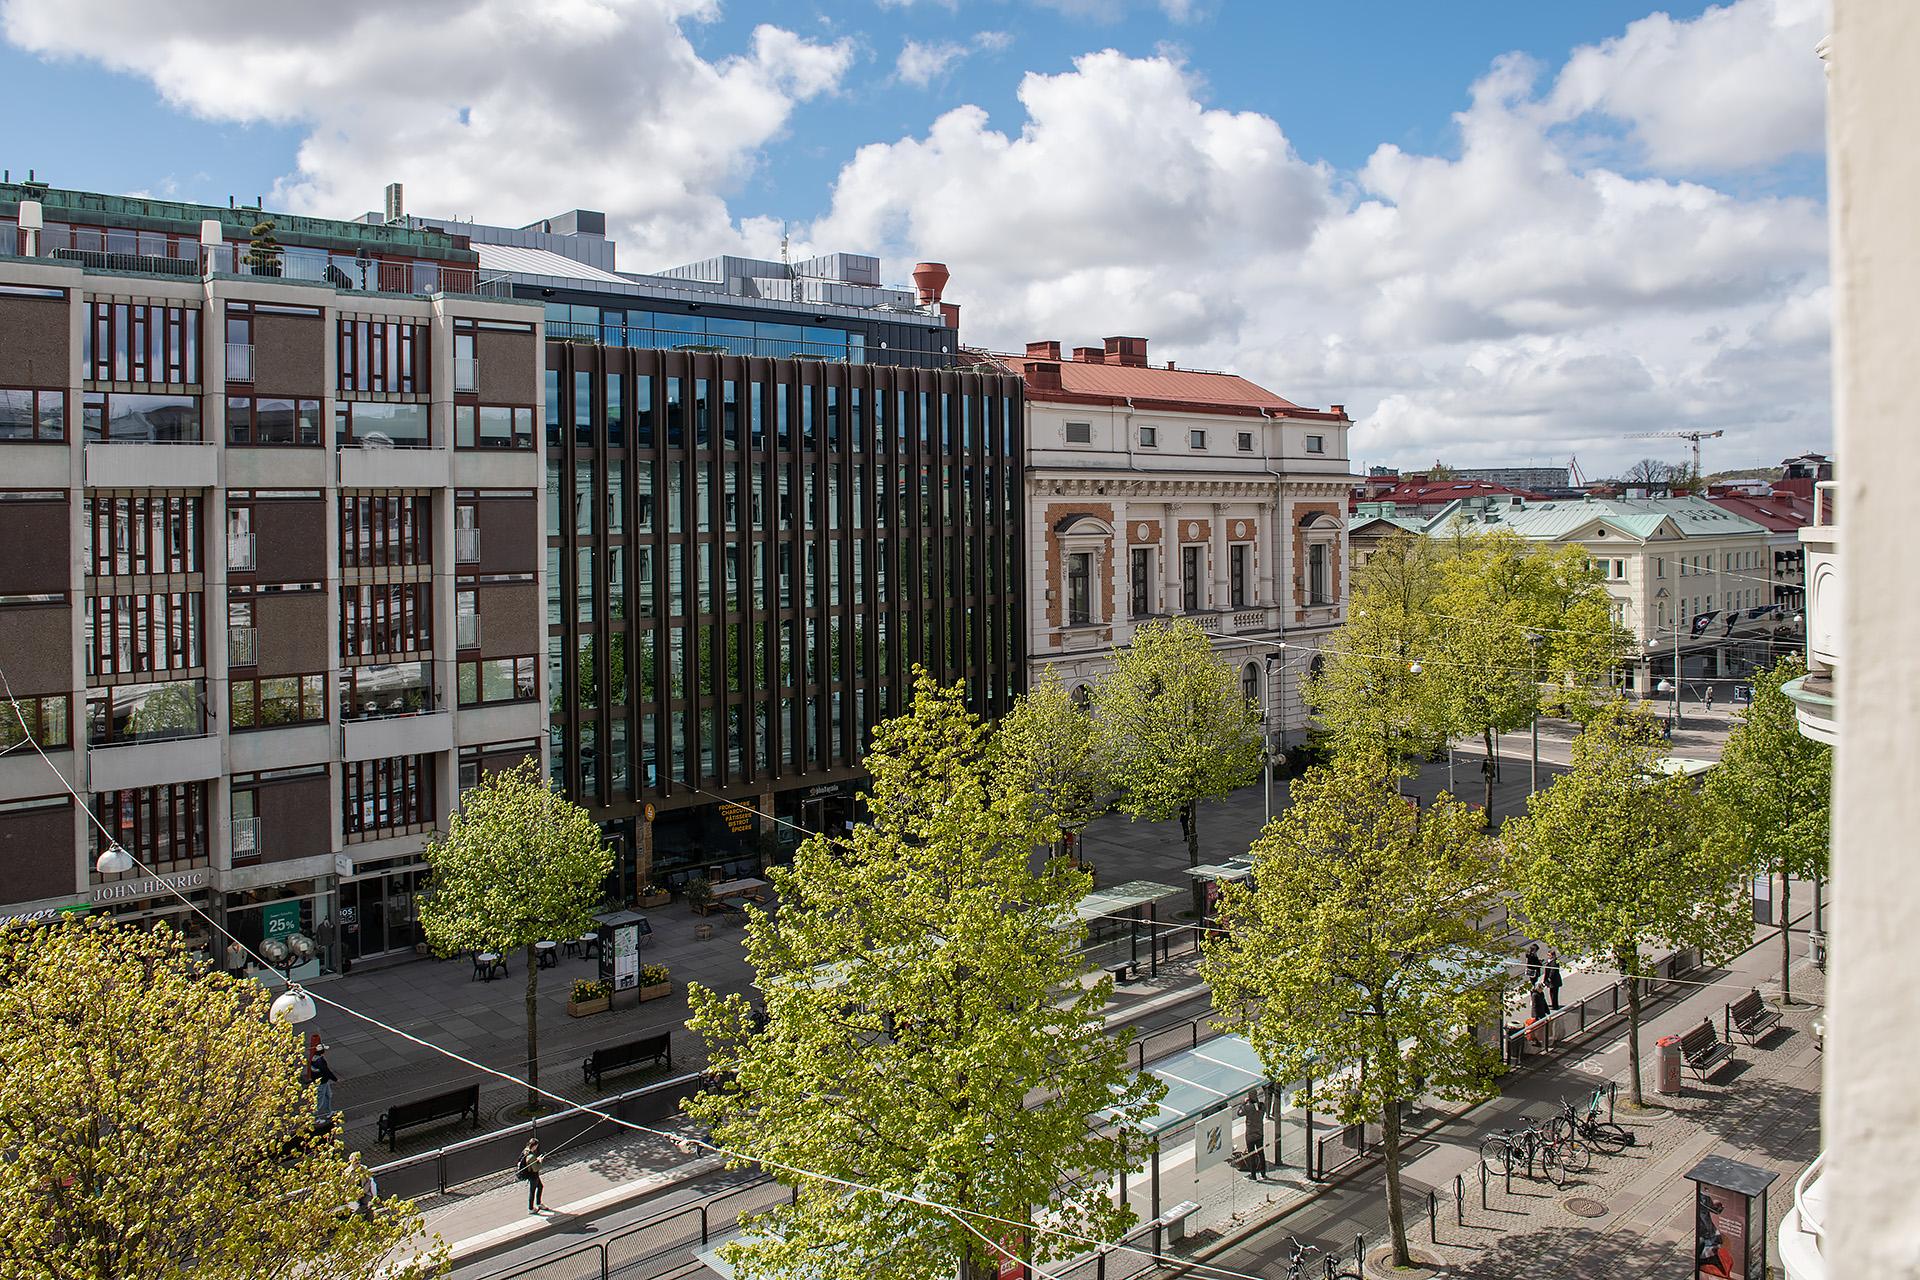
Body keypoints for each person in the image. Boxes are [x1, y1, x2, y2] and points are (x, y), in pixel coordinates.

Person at [1239, 1090, 1268, 1179]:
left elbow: (1239, 1113)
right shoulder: (1262, 1106)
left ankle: (1253, 1175)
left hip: (1250, 1134)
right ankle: (1263, 1173)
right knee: (1261, 1153)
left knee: (1251, 1154)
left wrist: (1243, 1103)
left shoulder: (1248, 1107)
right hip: (1259, 1132)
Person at [308, 1044, 338, 1120]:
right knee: (319, 1101)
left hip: (323, 1081)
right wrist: (334, 1079)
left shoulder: (315, 1058)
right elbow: (326, 1071)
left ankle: (329, 1112)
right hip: (321, 1082)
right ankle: (315, 1119)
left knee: (328, 1095)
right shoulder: (320, 1060)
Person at [518, 1138, 546, 1214]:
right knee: (532, 1191)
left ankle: (539, 1203)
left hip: (530, 1174)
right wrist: (540, 1161)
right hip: (533, 1175)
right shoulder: (531, 1156)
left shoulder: (525, 1150)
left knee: (540, 1186)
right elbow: (536, 1168)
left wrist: (535, 1160)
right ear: (535, 1146)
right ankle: (531, 1208)